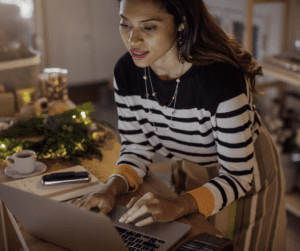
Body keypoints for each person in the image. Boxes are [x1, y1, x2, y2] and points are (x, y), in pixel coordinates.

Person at [68, 0, 287, 250]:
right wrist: (110, 188)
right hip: (190, 165)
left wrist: (178, 205)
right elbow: (136, 146)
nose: (133, 40)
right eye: (125, 24)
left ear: (181, 23)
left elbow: (237, 176)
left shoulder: (221, 82)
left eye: (148, 28)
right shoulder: (126, 72)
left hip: (244, 174)